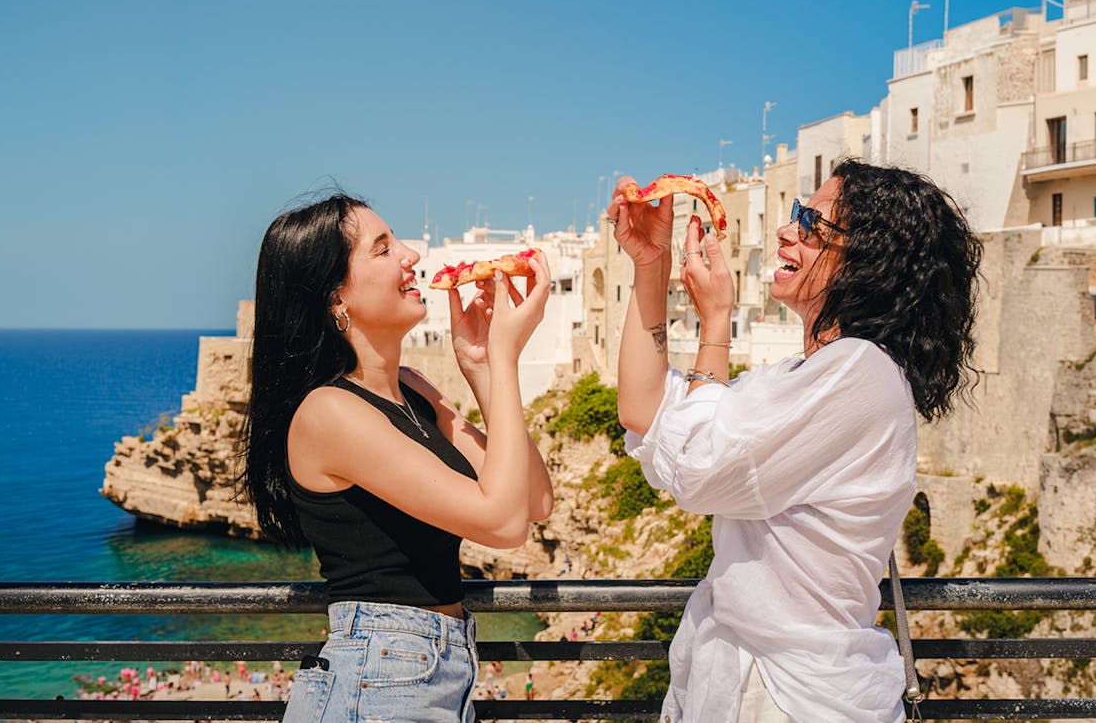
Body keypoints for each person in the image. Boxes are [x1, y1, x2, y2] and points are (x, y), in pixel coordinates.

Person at [609, 160, 981, 722]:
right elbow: (644, 409)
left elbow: (698, 469)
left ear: (867, 261)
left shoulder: (860, 372)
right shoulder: (798, 377)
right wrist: (650, 264)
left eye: (811, 222)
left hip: (790, 696)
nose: (788, 231)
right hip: (749, 680)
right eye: (795, 215)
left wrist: (716, 326)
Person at [240, 193, 555, 723]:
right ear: (335, 296)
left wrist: (480, 368)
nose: (409, 253)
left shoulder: (414, 392)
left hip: (426, 674)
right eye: (383, 249)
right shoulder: (329, 412)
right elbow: (503, 525)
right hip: (379, 680)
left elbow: (534, 500)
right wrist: (503, 355)